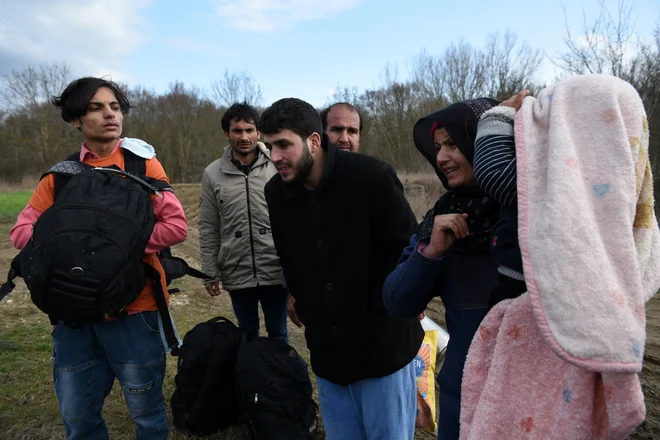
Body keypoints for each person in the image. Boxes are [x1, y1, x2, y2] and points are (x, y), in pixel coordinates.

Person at [8, 77, 188, 440]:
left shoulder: (143, 167)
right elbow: (21, 232)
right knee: (78, 418)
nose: (110, 114)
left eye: (115, 107)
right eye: (96, 108)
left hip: (135, 311)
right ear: (75, 120)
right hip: (73, 315)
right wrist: (67, 252)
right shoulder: (62, 176)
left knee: (148, 417)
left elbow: (176, 226)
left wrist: (116, 252)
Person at [261, 97, 423, 440]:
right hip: (327, 354)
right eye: (270, 146)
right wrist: (299, 295)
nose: (274, 157)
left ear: (314, 140)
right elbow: (287, 254)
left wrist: (382, 306)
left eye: (284, 145)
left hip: (382, 350)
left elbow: (409, 250)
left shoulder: (373, 177)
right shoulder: (275, 192)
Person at [382, 98, 502, 440]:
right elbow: (397, 301)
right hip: (462, 400)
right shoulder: (441, 220)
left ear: (487, 143)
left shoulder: (530, 214)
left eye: (453, 144)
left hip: (531, 398)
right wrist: (431, 252)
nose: (441, 157)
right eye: (437, 147)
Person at [198, 102, 288, 341]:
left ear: (259, 133)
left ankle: (280, 378)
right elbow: (208, 225)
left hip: (275, 267)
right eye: (237, 131)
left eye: (249, 130)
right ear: (227, 134)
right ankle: (250, 377)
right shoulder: (212, 173)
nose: (244, 136)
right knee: (247, 334)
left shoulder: (278, 166)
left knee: (278, 333)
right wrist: (210, 272)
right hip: (236, 268)